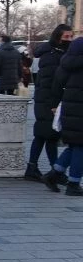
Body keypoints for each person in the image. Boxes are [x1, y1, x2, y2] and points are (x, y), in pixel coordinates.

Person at [25, 24, 73, 181]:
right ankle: (54, 171)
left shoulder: (59, 53)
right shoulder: (52, 55)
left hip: (49, 100)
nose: (69, 40)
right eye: (66, 37)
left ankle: (38, 168)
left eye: (71, 37)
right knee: (48, 135)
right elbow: (50, 82)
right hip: (47, 101)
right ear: (58, 37)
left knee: (45, 135)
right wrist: (53, 104)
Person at [43, 37, 83, 196]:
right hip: (80, 109)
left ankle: (54, 175)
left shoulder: (65, 62)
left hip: (69, 107)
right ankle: (73, 184)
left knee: (74, 145)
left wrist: (54, 105)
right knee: (80, 147)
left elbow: (57, 84)